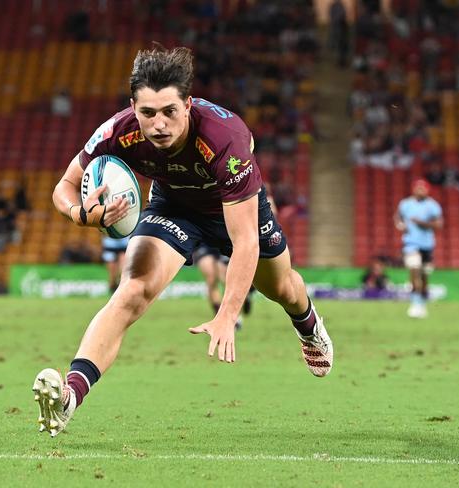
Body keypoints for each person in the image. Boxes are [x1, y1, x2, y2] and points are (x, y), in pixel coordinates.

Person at [34, 45, 333, 437]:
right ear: (132, 107)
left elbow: (244, 242)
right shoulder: (117, 131)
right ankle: (70, 398)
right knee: (132, 291)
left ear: (188, 105)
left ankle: (309, 325)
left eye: (169, 112)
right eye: (147, 113)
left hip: (236, 210)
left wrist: (227, 314)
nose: (158, 124)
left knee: (283, 289)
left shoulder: (226, 139)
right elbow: (65, 187)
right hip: (174, 205)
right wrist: (81, 214)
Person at [394, 179, 443, 318]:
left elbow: (439, 224)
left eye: (423, 188)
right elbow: (397, 217)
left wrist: (422, 223)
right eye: (418, 188)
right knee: (414, 271)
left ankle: (422, 303)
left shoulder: (433, 206)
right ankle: (415, 304)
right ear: (414, 189)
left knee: (424, 277)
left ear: (428, 190)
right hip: (411, 244)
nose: (420, 190)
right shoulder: (405, 204)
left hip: (427, 245)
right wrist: (400, 224)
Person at [192, 244, 253, 330]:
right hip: (204, 244)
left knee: (227, 280)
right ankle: (219, 317)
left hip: (221, 241)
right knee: (211, 279)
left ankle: (244, 298)